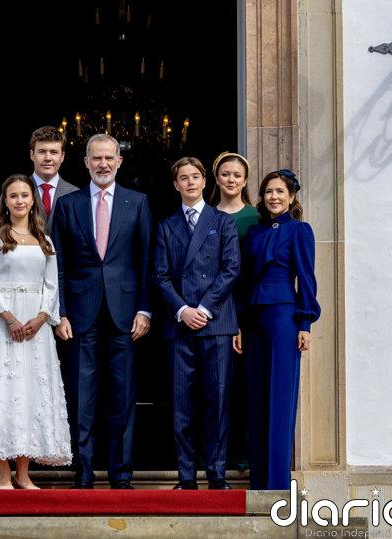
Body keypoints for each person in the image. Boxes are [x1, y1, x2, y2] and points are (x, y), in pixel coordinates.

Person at [52, 134, 153, 490]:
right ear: (85, 161)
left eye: (109, 158)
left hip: (126, 316)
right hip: (79, 316)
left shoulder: (137, 203)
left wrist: (145, 308)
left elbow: (145, 261)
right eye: (96, 158)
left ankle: (121, 475)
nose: (103, 164)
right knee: (82, 396)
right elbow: (58, 264)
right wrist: (59, 311)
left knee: (122, 397)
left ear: (120, 161)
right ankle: (83, 473)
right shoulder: (68, 205)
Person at [0, 174, 72, 489]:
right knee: (3, 391)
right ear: (5, 202)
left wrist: (39, 318)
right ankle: (3, 472)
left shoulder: (45, 241)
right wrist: (9, 318)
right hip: (2, 324)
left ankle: (23, 472)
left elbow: (52, 284)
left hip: (36, 327)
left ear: (32, 200)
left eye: (25, 195)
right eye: (14, 196)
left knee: (30, 392)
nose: (20, 201)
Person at [154, 157, 241, 490]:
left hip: (215, 323)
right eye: (182, 178)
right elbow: (159, 277)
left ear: (205, 181)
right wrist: (182, 310)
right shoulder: (166, 226)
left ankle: (217, 474)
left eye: (195, 177)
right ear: (175, 185)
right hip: (179, 326)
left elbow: (231, 269)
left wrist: (203, 307)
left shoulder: (222, 222)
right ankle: (186, 476)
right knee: (182, 406)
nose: (190, 182)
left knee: (217, 402)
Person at [233, 169, 320, 490]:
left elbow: (306, 278)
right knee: (257, 398)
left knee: (280, 398)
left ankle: (277, 485)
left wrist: (305, 322)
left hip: (284, 316)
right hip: (253, 319)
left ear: (292, 196)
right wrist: (239, 324)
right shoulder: (254, 233)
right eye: (269, 191)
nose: (274, 197)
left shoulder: (300, 231)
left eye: (280, 191)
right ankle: (259, 482)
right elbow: (243, 282)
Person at [209, 151, 260, 472]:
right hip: (214, 308)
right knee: (215, 386)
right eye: (225, 174)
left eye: (237, 175)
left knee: (244, 385)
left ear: (245, 180)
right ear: (216, 178)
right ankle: (215, 452)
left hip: (248, 308)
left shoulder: (256, 217)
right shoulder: (206, 215)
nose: (231, 180)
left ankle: (243, 452)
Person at [0, 126, 78, 230]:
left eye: (53, 152)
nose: (47, 158)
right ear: (32, 155)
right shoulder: (13, 190)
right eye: (42, 152)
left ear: (62, 156)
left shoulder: (75, 194)